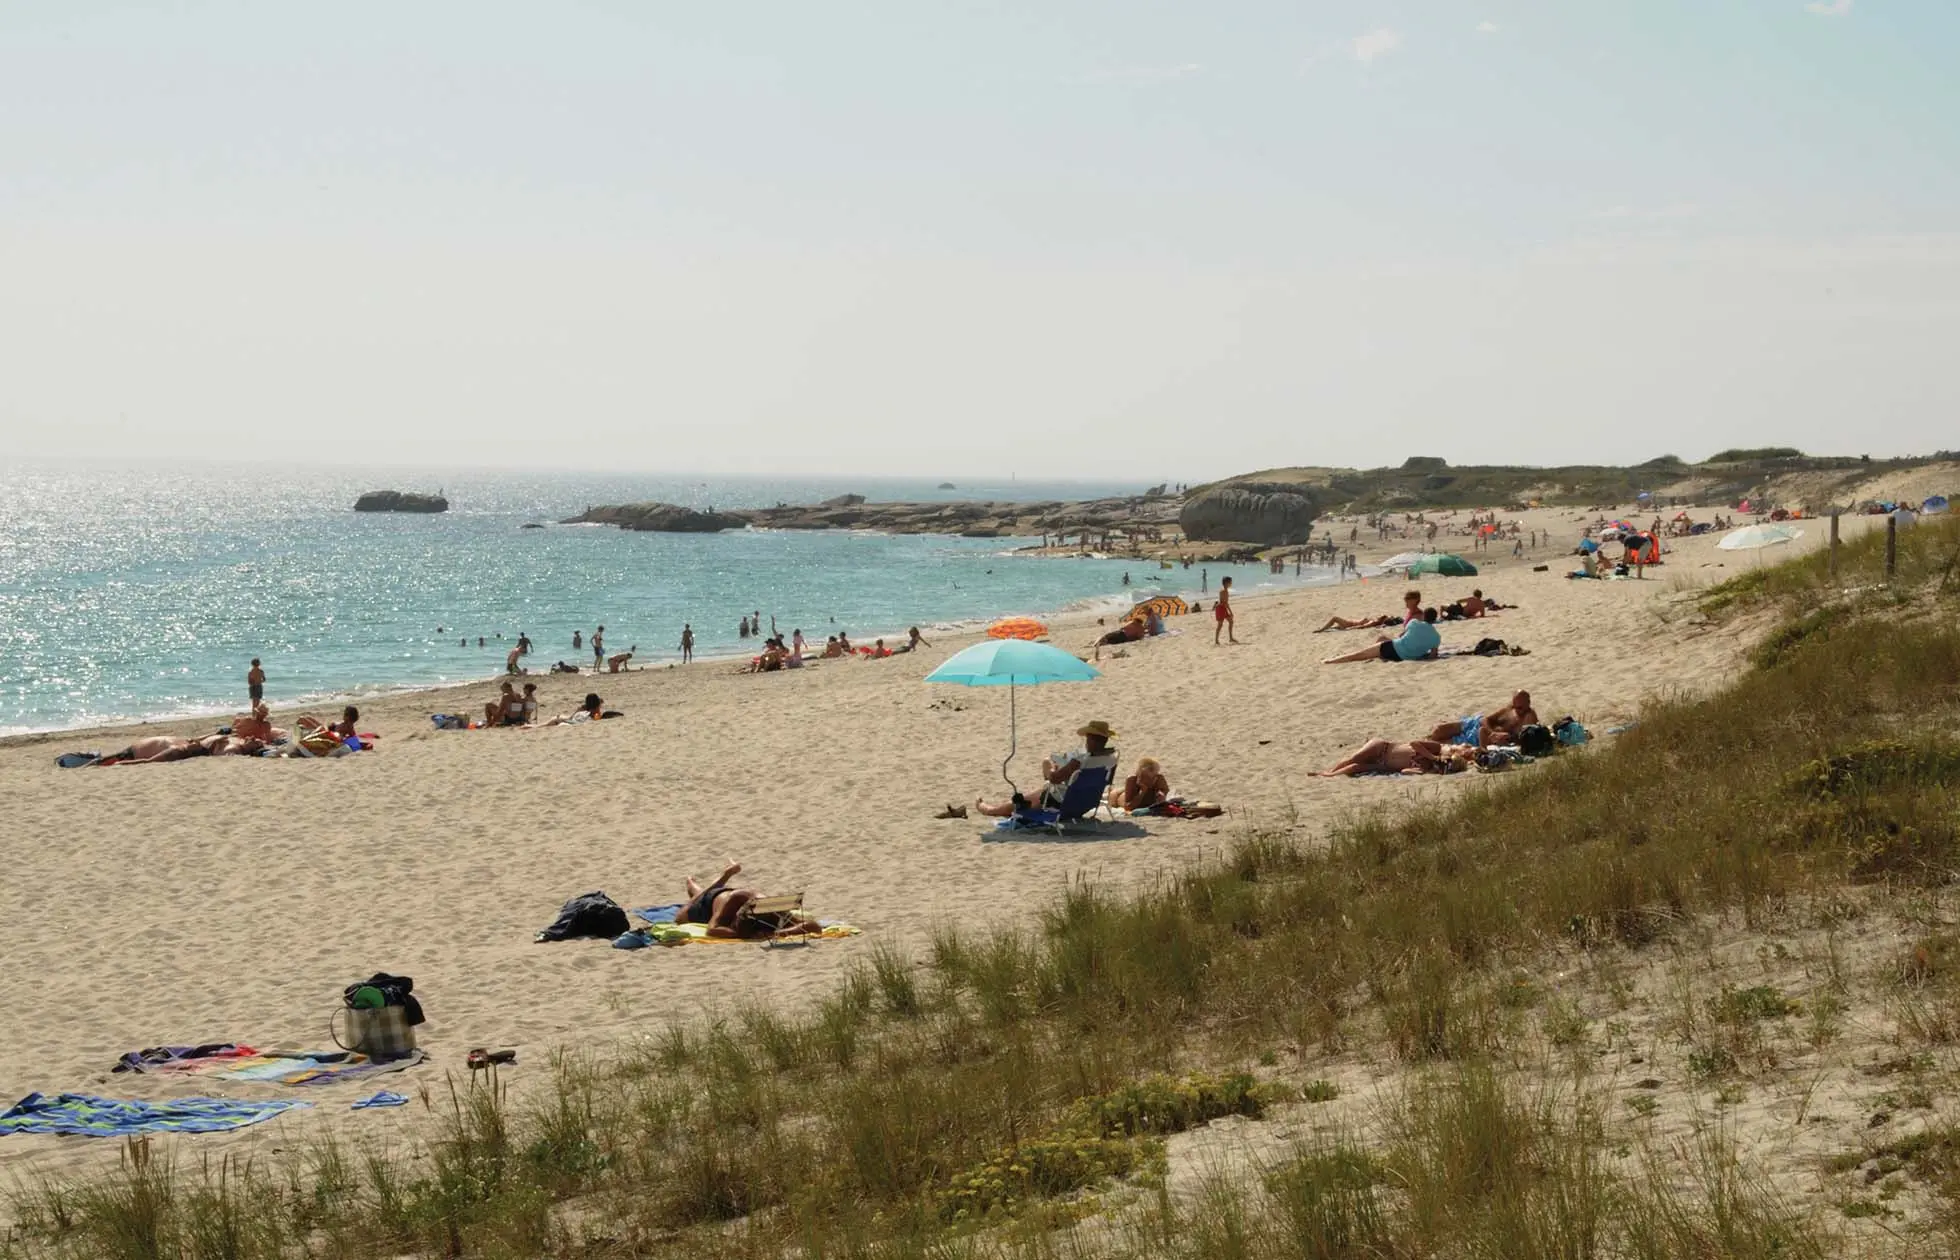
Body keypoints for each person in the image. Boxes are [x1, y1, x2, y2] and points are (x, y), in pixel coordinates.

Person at [975, 720, 1119, 817]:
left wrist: (1050, 769)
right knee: (1041, 790)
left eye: (1087, 737)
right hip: (1087, 801)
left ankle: (989, 810)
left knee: (1020, 803)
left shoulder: (1081, 760)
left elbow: (1055, 779)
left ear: (1091, 739)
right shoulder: (1111, 758)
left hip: (1062, 802)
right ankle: (998, 808)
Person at [675, 861, 822, 939]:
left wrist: (776, 934)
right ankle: (723, 876)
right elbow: (711, 930)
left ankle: (698, 884)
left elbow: (813, 926)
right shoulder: (734, 901)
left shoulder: (772, 907)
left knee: (696, 891)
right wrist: (735, 933)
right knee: (681, 915)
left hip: (736, 899)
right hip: (712, 901)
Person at [1323, 608, 1441, 664]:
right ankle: (1376, 656)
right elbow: (1433, 655)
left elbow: (1401, 635)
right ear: (1435, 619)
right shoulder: (1436, 637)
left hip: (1393, 650)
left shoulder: (1414, 623)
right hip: (1405, 657)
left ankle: (1330, 661)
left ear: (1424, 616)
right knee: (1382, 639)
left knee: (1358, 655)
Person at [1429, 690, 1536, 746]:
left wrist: (1505, 738)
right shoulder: (1510, 709)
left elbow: (1524, 739)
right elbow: (1485, 719)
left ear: (1528, 703)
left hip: (1479, 738)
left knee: (1437, 742)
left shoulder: (1529, 717)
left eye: (1520, 707)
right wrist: (1492, 732)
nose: (1517, 709)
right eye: (1515, 705)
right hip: (1476, 724)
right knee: (1437, 731)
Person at [1318, 739, 1469, 777]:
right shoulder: (1436, 749)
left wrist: (1424, 771)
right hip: (1383, 748)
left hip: (1384, 764)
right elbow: (1414, 743)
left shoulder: (1425, 768)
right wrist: (1433, 757)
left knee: (1355, 768)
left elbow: (1404, 771)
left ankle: (1331, 775)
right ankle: (1329, 772)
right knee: (1356, 758)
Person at [1214, 576, 1236, 645]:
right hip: (1221, 609)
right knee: (1220, 625)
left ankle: (1231, 638)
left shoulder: (1224, 590)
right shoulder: (1224, 591)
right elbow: (1225, 603)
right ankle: (1216, 640)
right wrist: (1231, 612)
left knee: (1231, 622)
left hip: (1223, 608)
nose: (1231, 583)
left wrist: (1229, 611)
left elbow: (1224, 602)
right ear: (1227, 583)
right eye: (1230, 582)